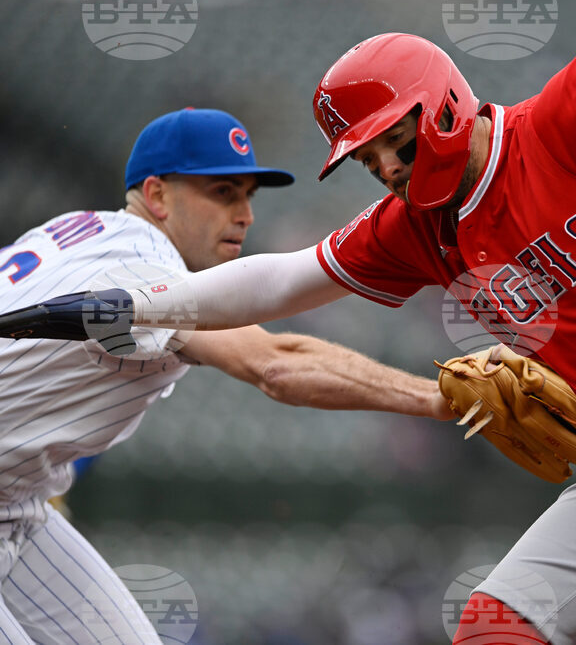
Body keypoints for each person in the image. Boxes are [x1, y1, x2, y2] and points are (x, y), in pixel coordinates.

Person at [0, 0, 576, 642]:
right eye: (367, 155)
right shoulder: (412, 229)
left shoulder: (563, 126)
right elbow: (279, 284)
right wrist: (155, 304)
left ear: (447, 102)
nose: (385, 165)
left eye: (394, 137)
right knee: (496, 627)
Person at [0, 107, 450, 643]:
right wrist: (440, 397)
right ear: (158, 195)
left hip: (17, 503)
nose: (244, 215)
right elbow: (278, 364)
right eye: (222, 192)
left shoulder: (72, 231)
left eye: (248, 196)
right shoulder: (144, 271)